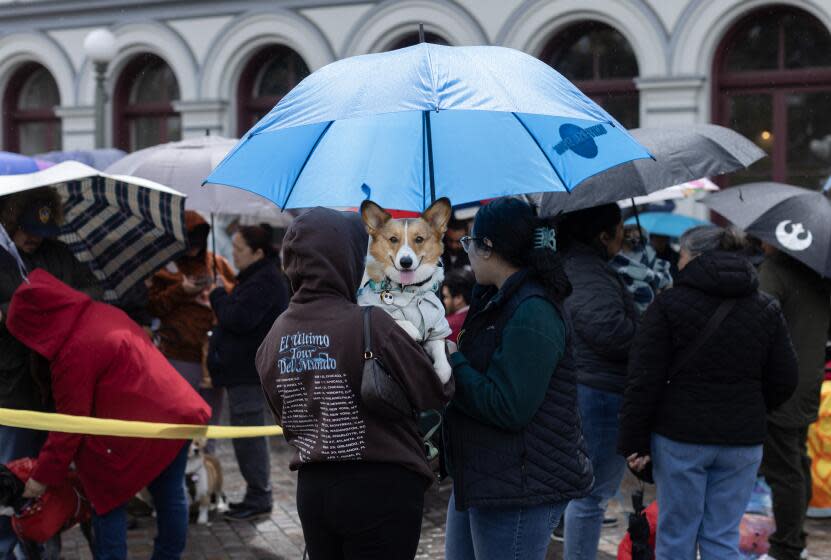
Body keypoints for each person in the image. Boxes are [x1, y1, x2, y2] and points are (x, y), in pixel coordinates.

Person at [256, 208, 453, 560]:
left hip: (314, 489)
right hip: (382, 486)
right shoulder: (372, 323)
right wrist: (441, 348)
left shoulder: (274, 336)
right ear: (345, 258)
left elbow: (282, 413)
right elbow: (433, 390)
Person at [618, 226, 798, 559]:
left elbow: (643, 379)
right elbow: (786, 378)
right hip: (742, 442)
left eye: (682, 255)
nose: (678, 263)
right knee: (722, 536)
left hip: (680, 438)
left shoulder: (669, 304)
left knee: (677, 535)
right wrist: (751, 407)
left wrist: (633, 441)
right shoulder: (766, 307)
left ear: (695, 256)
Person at [5, 269, 210, 560]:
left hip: (142, 429)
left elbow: (70, 424)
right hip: (177, 414)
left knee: (106, 500)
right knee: (170, 494)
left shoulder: (72, 350)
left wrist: (42, 478)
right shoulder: (100, 312)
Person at [443, 198, 593, 560]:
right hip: (485, 473)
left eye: (470, 243)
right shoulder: (496, 299)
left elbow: (509, 406)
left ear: (489, 248)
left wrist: (453, 363)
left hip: (521, 485)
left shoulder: (533, 311)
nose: (467, 253)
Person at [0, 188, 101, 559]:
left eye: (41, 230)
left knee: (49, 475)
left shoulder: (57, 254)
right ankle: (6, 547)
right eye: (26, 229)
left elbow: (92, 291)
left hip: (57, 385)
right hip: (12, 389)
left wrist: (61, 306)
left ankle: (42, 544)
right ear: (9, 220)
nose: (34, 237)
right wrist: (23, 310)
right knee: (12, 475)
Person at [558, 203, 637, 560]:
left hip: (592, 387)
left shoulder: (586, 267)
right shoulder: (587, 272)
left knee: (585, 494)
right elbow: (609, 331)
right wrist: (645, 332)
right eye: (619, 228)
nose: (624, 234)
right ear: (602, 234)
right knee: (591, 496)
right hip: (601, 392)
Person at [207, 224, 288, 521]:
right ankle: (256, 493)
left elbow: (237, 318)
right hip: (242, 372)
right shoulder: (255, 277)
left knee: (249, 437)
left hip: (249, 373)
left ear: (257, 252)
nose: (234, 254)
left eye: (240, 249)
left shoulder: (264, 280)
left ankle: (259, 495)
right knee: (245, 437)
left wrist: (217, 295)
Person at [757, 246, 831, 560]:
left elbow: (757, 319)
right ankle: (793, 539)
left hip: (779, 387)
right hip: (807, 384)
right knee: (796, 462)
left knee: (784, 469)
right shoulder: (820, 278)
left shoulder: (774, 272)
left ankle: (786, 547)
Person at [148, 211, 235, 430]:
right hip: (178, 355)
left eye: (198, 243)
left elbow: (236, 300)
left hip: (213, 357)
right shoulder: (163, 267)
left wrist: (217, 293)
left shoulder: (217, 264)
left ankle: (206, 463)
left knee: (210, 425)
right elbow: (153, 307)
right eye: (189, 243)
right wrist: (181, 290)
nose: (194, 249)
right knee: (178, 420)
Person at [610, 225, 672, 315]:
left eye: (635, 230)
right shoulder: (613, 257)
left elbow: (665, 280)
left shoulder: (647, 253)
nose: (632, 234)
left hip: (651, 312)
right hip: (624, 310)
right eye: (628, 231)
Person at [442, 269, 475, 343]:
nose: (444, 301)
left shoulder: (448, 325)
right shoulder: (480, 316)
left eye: (446, 297)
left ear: (458, 298)